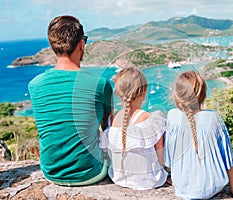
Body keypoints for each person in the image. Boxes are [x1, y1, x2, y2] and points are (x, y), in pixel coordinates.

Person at [28, 15, 113, 186]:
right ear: (81, 44)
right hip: (92, 172)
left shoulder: (34, 85)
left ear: (53, 47)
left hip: (51, 171)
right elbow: (108, 126)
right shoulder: (100, 84)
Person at [164, 71, 233, 199]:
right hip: (213, 187)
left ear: (176, 96)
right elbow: (227, 158)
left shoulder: (172, 116)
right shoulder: (214, 118)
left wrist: (173, 176)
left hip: (182, 188)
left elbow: (169, 157)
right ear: (204, 96)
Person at [100, 67, 167, 190]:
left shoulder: (111, 119)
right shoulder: (151, 120)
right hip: (149, 181)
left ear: (119, 91)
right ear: (144, 91)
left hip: (118, 179)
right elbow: (160, 158)